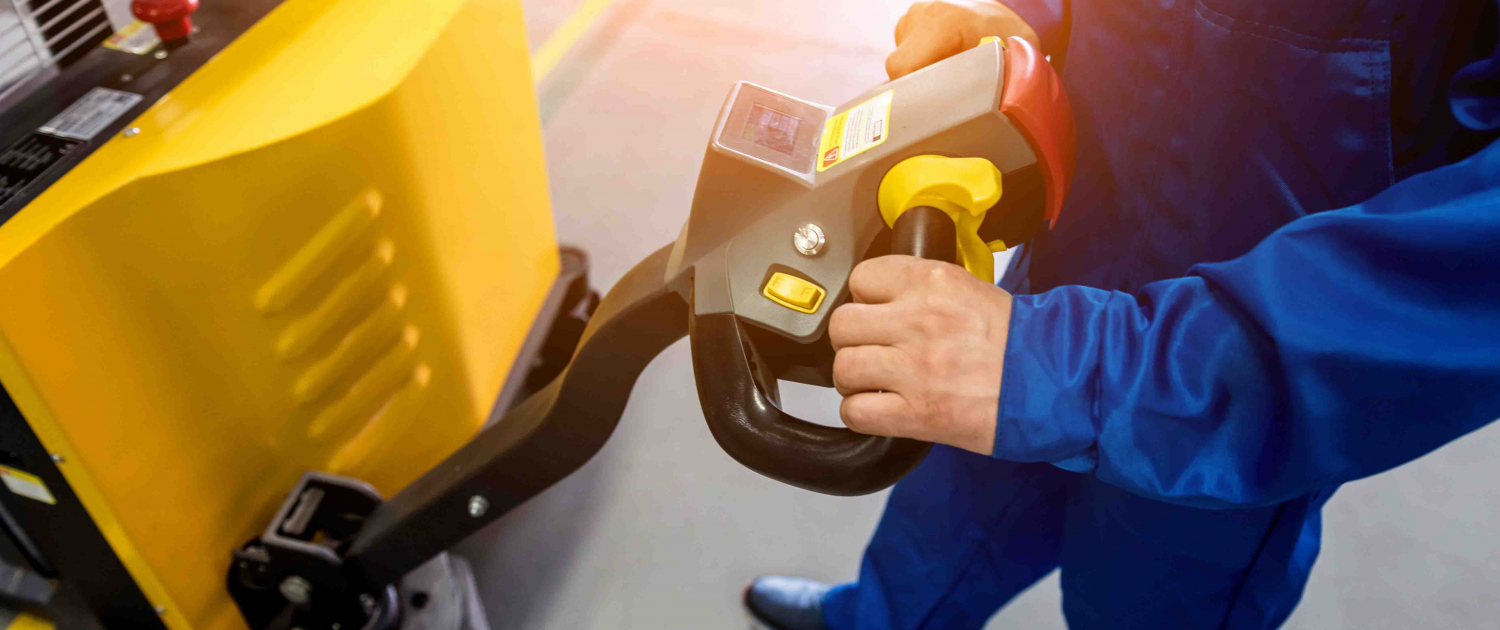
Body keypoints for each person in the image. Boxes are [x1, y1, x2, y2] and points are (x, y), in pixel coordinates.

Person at [743, 0, 1500, 628]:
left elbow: (1472, 254)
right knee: (938, 525)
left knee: (1148, 604)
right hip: (1052, 281)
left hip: (1224, 400)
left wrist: (1082, 370)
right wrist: (1021, 32)